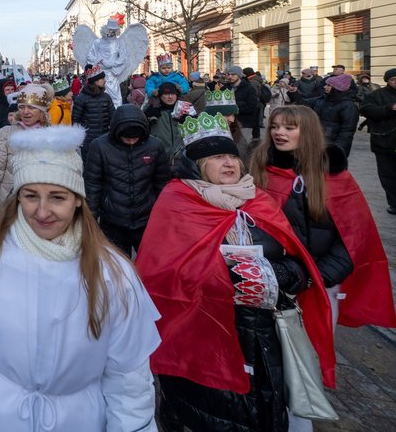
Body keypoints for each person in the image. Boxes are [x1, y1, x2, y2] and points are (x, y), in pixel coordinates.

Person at [0, 125, 161, 431]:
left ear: (78, 199)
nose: (42, 212)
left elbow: (128, 380)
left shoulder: (111, 273)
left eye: (57, 197)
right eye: (30, 196)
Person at [136, 112, 335, 432]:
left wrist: (284, 275)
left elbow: (298, 260)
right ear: (197, 165)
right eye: (216, 157)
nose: (228, 163)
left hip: (261, 336)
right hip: (200, 339)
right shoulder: (176, 203)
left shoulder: (259, 201)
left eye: (231, 155)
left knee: (264, 412)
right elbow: (159, 276)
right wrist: (228, 279)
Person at [250, 105, 396, 333]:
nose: (279, 133)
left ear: (307, 132)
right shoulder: (262, 170)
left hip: (320, 281)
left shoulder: (334, 176)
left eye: (289, 127)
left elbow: (355, 237)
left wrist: (319, 276)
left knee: (312, 352)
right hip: (273, 278)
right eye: (275, 127)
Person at [84, 104, 171, 257]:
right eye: (126, 138)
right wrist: (90, 217)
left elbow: (162, 183)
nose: (131, 142)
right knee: (117, 269)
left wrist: (165, 216)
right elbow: (92, 183)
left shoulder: (155, 146)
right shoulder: (99, 146)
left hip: (146, 220)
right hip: (113, 221)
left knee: (150, 264)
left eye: (135, 138)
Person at [0, 84, 52, 220]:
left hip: (41, 208)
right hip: (10, 204)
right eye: (22, 107)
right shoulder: (6, 134)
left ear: (42, 110)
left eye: (31, 107)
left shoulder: (52, 136)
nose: (25, 112)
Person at [294, 73, 360, 157]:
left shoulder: (348, 106)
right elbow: (303, 104)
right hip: (317, 140)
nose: (325, 87)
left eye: (329, 85)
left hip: (332, 146)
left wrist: (337, 149)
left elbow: (347, 132)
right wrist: (294, 93)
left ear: (337, 88)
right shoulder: (322, 99)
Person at [361, 69, 396, 215]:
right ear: (387, 80)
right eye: (394, 79)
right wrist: (390, 109)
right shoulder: (375, 95)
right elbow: (367, 110)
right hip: (384, 141)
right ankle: (394, 203)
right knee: (388, 175)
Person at [72, 63, 115, 160]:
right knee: (89, 165)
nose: (105, 80)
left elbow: (113, 117)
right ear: (96, 81)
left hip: (105, 138)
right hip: (88, 141)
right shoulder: (82, 98)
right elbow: (75, 120)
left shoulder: (106, 97)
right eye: (102, 78)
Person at [144, 82, 190, 162]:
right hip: (158, 159)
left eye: (173, 94)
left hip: (181, 159)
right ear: (160, 95)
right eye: (166, 94)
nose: (170, 97)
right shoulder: (151, 111)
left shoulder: (185, 111)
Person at [204, 88, 250, 160]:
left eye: (233, 115)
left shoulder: (239, 137)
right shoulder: (201, 140)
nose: (232, 119)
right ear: (212, 116)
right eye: (226, 115)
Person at [226, 65, 261, 141]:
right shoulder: (225, 88)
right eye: (228, 74)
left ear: (239, 75)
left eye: (233, 74)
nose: (230, 77)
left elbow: (252, 106)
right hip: (228, 124)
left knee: (242, 147)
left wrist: (235, 107)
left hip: (243, 124)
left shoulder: (249, 88)